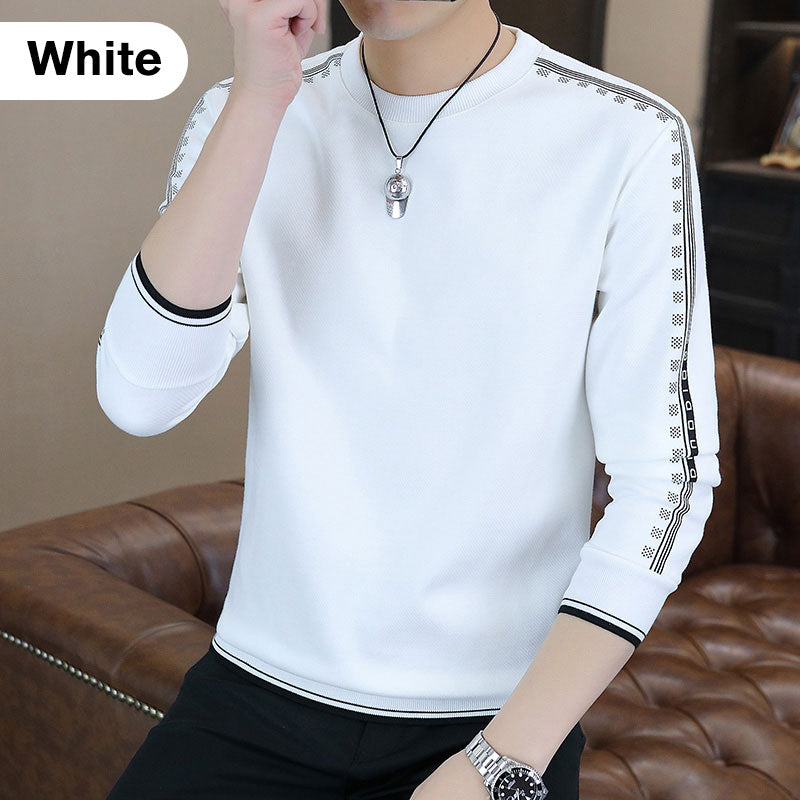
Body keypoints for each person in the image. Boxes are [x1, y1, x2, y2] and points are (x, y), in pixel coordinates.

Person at [97, 0, 722, 797]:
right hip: (255, 692)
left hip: (491, 724)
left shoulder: (627, 136)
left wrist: (503, 760)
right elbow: (139, 397)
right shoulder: (244, 111)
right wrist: (258, 101)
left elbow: (668, 481)